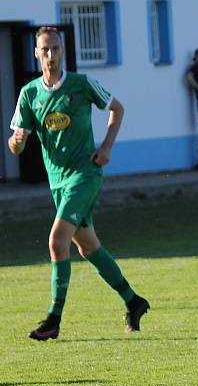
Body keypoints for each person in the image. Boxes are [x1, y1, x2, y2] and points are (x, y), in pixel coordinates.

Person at [7, 27, 150, 341]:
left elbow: (117, 108)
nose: (51, 55)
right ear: (36, 53)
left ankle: (53, 320)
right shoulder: (29, 94)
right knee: (88, 247)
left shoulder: (81, 85)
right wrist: (17, 142)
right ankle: (133, 301)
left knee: (57, 241)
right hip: (57, 182)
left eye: (56, 49)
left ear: (62, 51)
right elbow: (15, 144)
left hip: (85, 176)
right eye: (45, 49)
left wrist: (108, 146)